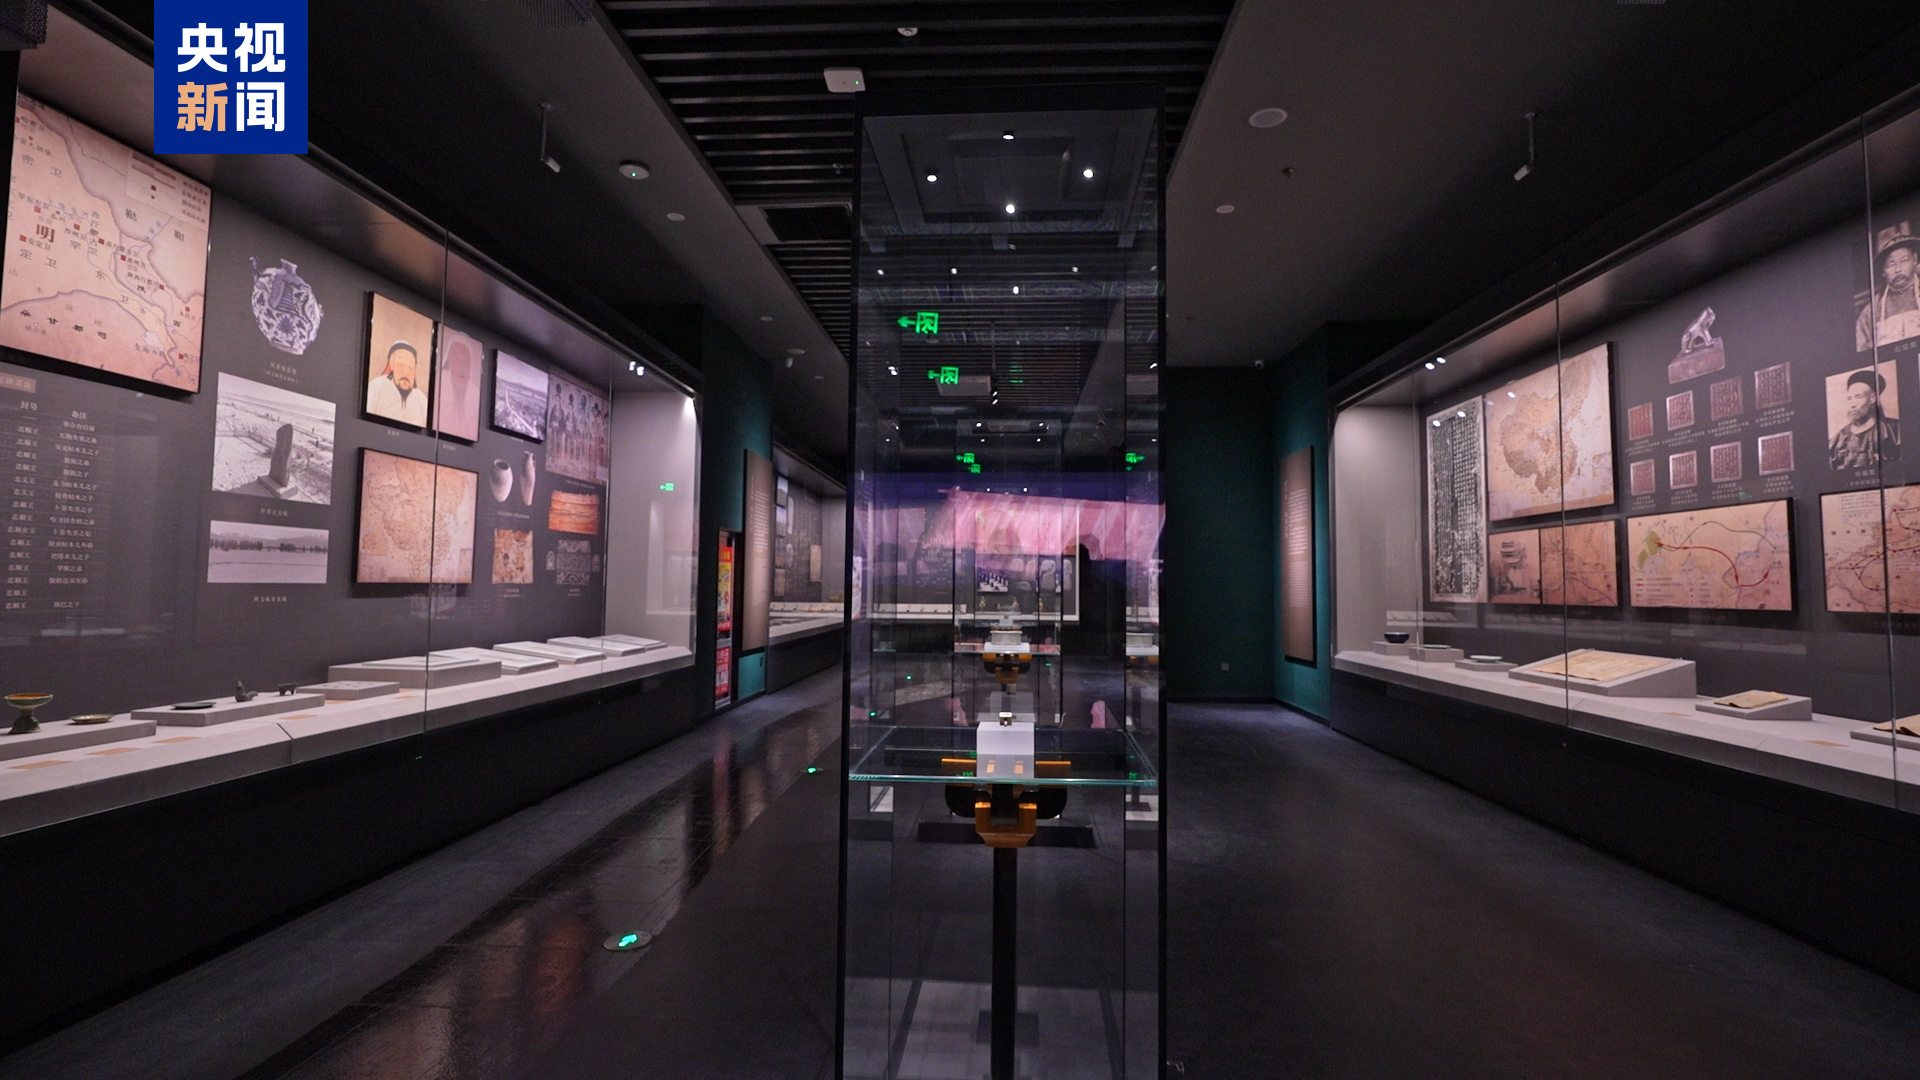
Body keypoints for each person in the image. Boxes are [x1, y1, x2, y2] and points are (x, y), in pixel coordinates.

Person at [1856, 225, 1920, 352]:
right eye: (1891, 264)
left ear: (1915, 260)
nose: (1898, 269)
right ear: (1883, 271)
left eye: (1904, 261)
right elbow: (1863, 352)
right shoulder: (1871, 311)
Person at [1830, 368, 1900, 469]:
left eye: (1858, 397)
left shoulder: (1895, 430)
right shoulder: (1838, 438)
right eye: (1849, 398)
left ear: (1872, 398)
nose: (1852, 404)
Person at [367, 340, 429, 427]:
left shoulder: (422, 401)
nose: (406, 373)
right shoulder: (375, 388)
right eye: (401, 364)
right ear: (391, 364)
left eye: (410, 367)